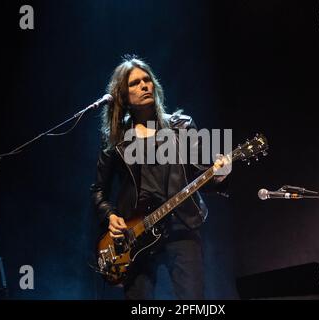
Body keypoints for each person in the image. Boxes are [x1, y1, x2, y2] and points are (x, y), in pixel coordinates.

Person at [91, 55, 230, 300]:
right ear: (122, 96)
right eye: (135, 83)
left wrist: (219, 175)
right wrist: (110, 216)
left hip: (181, 226)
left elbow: (202, 177)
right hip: (136, 235)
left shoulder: (182, 127)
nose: (144, 86)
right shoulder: (115, 139)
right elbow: (99, 190)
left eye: (147, 80)